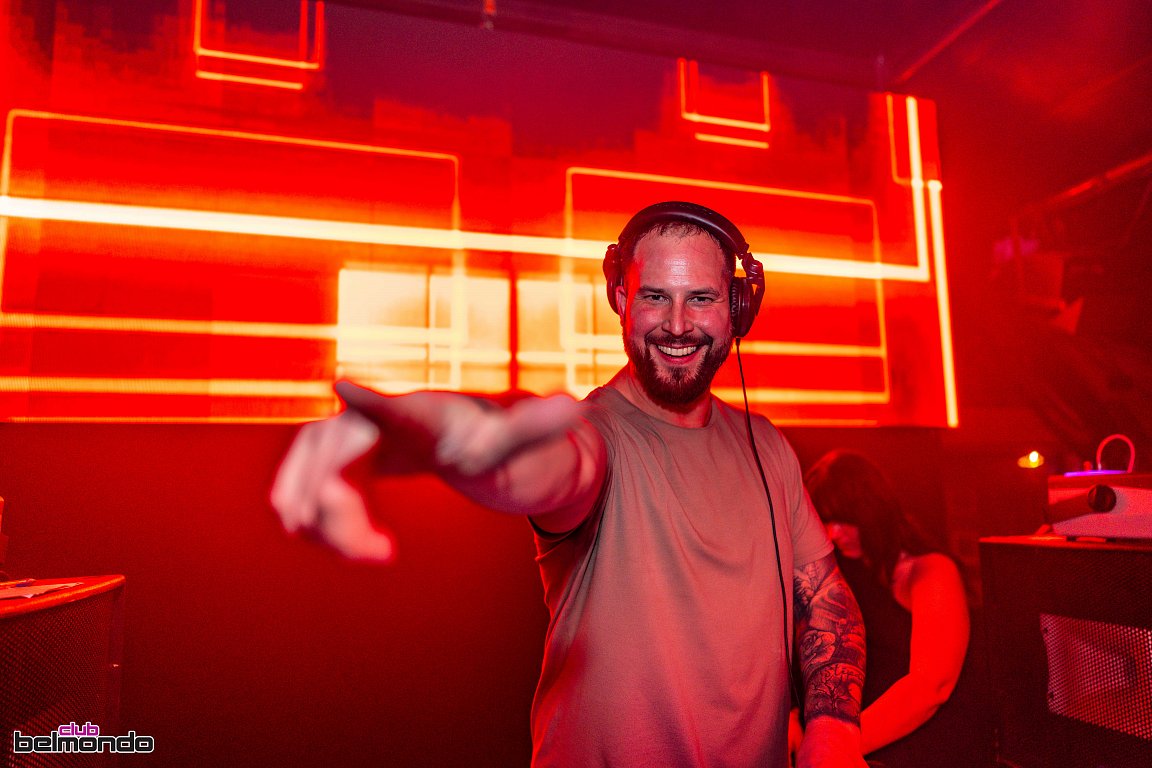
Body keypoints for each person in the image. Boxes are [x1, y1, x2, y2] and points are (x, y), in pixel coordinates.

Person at [271, 201, 868, 767]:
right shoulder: (597, 435)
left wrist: (832, 732)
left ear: (737, 307)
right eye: (655, 296)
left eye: (702, 298)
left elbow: (825, 598)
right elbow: (548, 464)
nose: (678, 324)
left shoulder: (767, 447)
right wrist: (450, 438)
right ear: (621, 300)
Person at [804, 450, 981, 767]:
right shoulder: (845, 573)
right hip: (870, 749)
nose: (833, 533)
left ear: (873, 511)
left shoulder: (931, 570)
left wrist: (833, 747)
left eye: (844, 520)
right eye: (826, 521)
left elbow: (931, 687)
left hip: (930, 750)